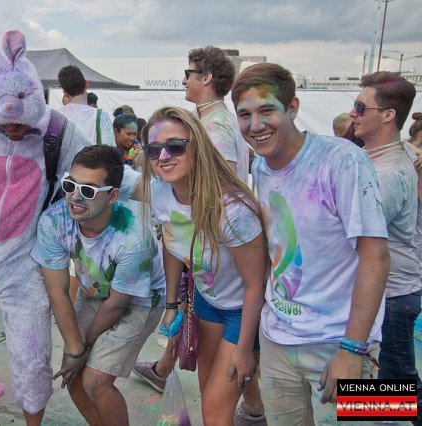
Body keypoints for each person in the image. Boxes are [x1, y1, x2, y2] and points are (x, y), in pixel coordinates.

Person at [0, 30, 99, 426]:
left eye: (20, 118)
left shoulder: (57, 131)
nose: (12, 126)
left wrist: (164, 190)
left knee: (32, 360)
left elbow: (102, 169)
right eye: (2, 117)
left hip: (24, 266)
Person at [232, 63, 389, 425]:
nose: (255, 125)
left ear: (293, 108)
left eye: (266, 110)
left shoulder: (344, 159)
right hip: (278, 341)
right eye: (244, 115)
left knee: (382, 413)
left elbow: (377, 257)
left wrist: (353, 349)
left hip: (343, 342)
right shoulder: (261, 167)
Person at [136, 106, 267, 425]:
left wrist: (246, 348)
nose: (163, 156)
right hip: (208, 304)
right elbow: (172, 244)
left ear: (197, 145)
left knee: (214, 410)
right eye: (153, 149)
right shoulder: (161, 191)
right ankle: (255, 413)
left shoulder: (232, 210)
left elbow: (256, 285)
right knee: (211, 397)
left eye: (175, 146)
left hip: (245, 311)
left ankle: (386, 407)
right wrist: (171, 304)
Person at [32, 144, 165, 426]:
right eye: (70, 185)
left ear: (113, 195)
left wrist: (85, 345)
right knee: (73, 376)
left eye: (89, 191)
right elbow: (57, 292)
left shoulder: (134, 237)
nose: (75, 197)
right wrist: (75, 350)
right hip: (93, 292)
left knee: (95, 380)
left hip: (141, 299)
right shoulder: (53, 221)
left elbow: (117, 305)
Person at [350, 71, 422, 423]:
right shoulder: (382, 157)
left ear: (388, 115)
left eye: (361, 107)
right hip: (389, 293)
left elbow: (357, 239)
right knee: (390, 385)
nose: (353, 114)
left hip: (391, 296)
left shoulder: (388, 174)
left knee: (395, 386)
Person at [182, 45, 249, 181]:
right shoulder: (207, 119)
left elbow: (224, 185)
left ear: (206, 78)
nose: (184, 81)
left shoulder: (217, 126)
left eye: (188, 74)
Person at [57, 65, 115, 146]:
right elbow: (110, 149)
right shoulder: (101, 116)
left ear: (65, 93)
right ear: (87, 83)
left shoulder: (56, 117)